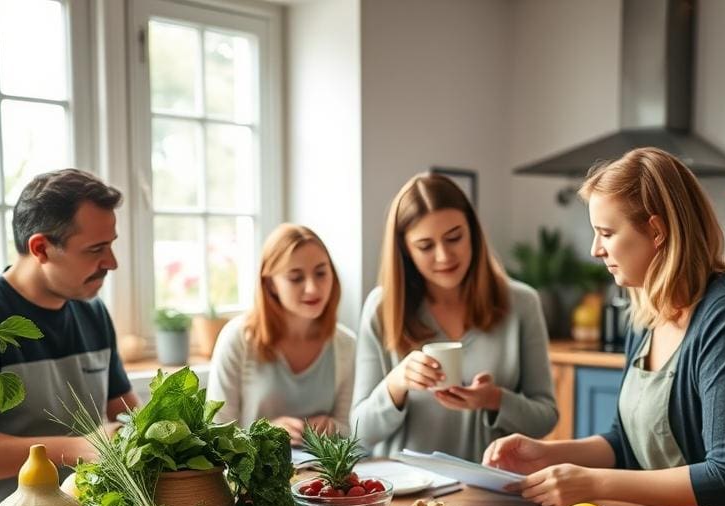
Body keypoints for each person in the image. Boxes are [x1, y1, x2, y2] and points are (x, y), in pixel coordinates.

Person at [484, 148, 725, 506]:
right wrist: (545, 453)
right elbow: (626, 444)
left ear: (656, 231)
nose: (596, 250)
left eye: (606, 233)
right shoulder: (647, 310)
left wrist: (591, 483)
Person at [0, 168, 140, 506]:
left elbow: (127, 413)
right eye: (96, 249)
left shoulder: (93, 311)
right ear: (41, 248)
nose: (111, 263)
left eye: (111, 245)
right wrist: (77, 449)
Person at [350, 173, 557, 462]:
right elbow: (358, 432)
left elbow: (546, 418)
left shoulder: (522, 303)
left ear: (472, 232)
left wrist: (495, 399)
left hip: (487, 489)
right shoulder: (381, 308)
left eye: (454, 237)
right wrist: (396, 383)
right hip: (407, 496)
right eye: (425, 246)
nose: (444, 256)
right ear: (405, 251)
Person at [206, 223, 355, 444]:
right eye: (296, 278)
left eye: (321, 273)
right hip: (253, 478)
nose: (313, 288)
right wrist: (263, 434)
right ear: (270, 284)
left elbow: (351, 428)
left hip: (321, 476)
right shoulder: (238, 339)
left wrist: (332, 427)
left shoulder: (346, 344)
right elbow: (215, 433)